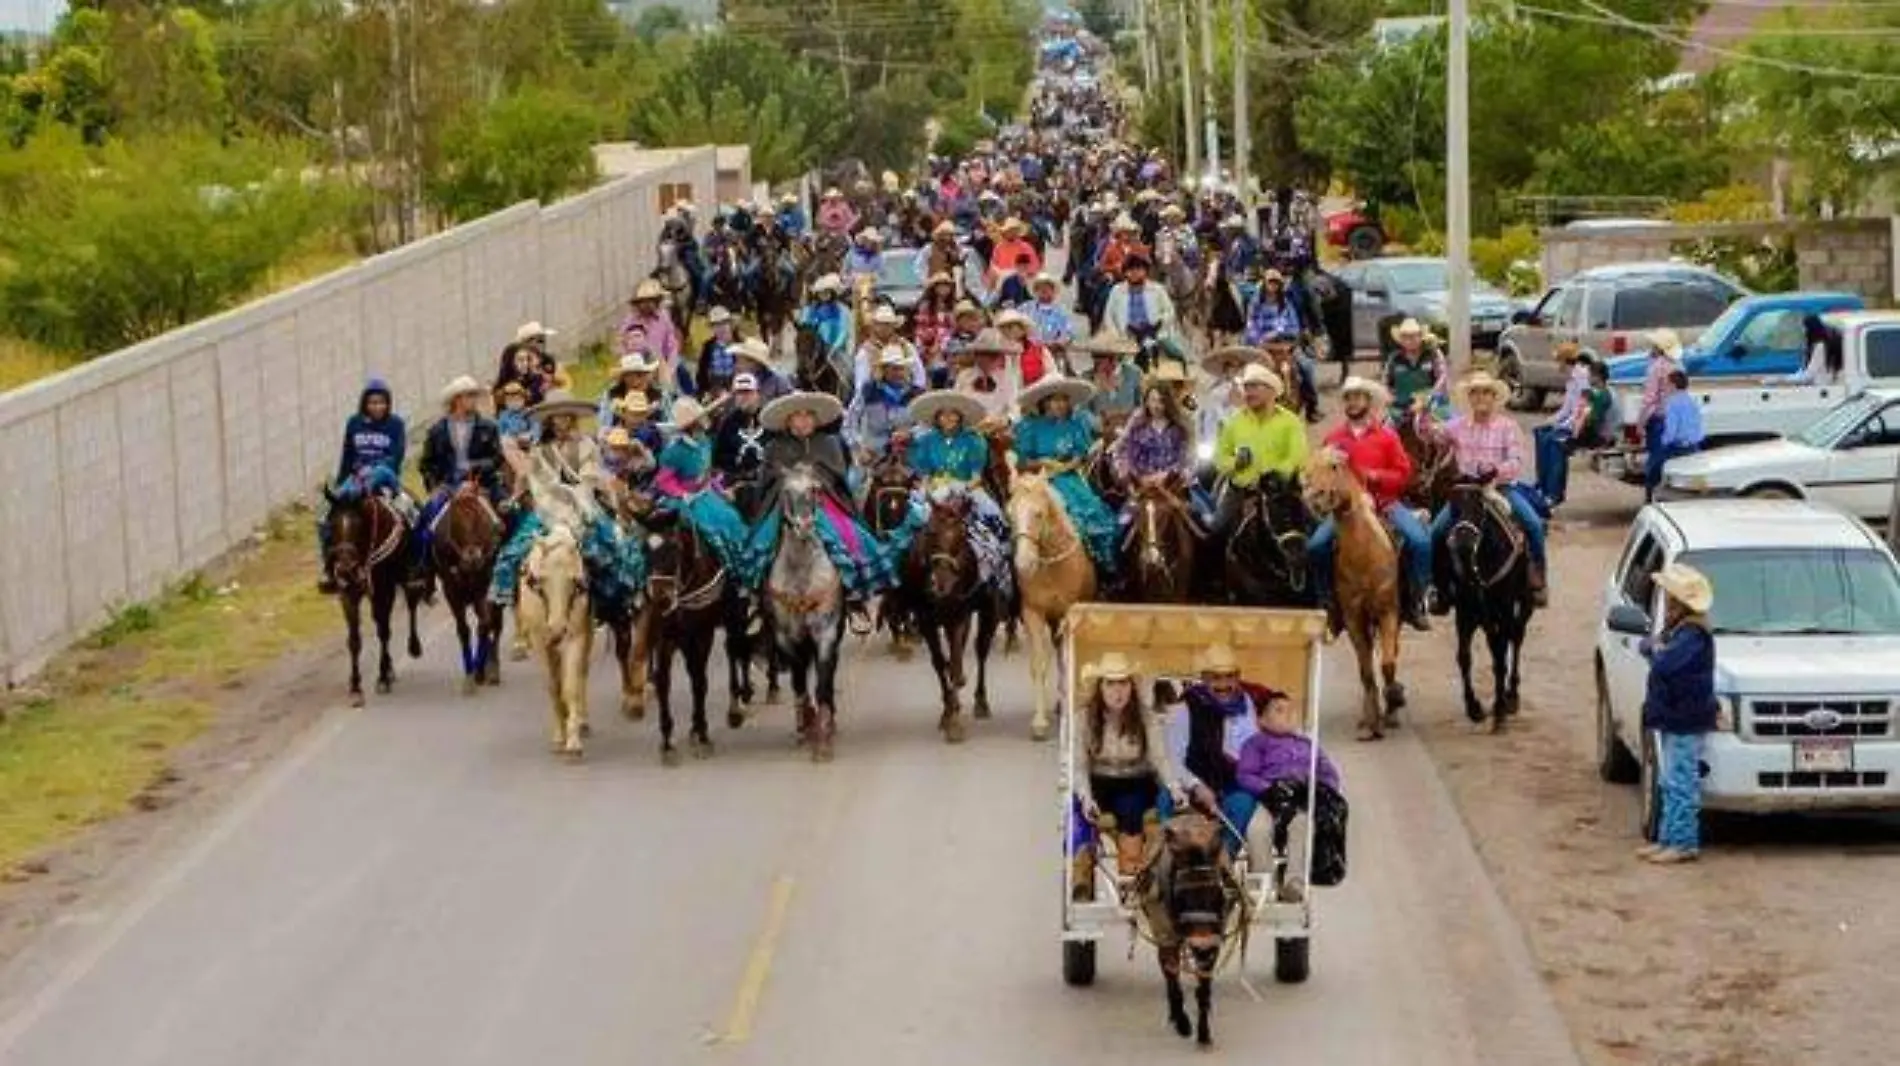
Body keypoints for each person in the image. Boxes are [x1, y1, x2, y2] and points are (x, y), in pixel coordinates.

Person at [748, 391, 917, 608]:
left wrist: (816, 480)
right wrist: (788, 480)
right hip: (785, 501)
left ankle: (852, 589)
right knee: (764, 539)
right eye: (797, 415)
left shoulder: (829, 443)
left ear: (815, 419)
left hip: (823, 501)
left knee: (849, 536)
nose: (803, 420)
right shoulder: (774, 447)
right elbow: (767, 480)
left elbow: (837, 476)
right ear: (788, 420)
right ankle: (758, 592)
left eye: (808, 415)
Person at [1310, 378, 1431, 632]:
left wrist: (1376, 476)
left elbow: (1403, 473)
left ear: (1368, 402)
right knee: (1316, 546)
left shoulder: (1387, 437)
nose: (1353, 403)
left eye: (1358, 397)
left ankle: (1417, 600)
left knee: (1420, 542)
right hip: (1346, 511)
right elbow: (1319, 474)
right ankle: (1326, 603)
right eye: (1348, 398)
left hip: (1385, 504)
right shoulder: (1334, 438)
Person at [1428, 372, 1548, 609]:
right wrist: (1422, 413)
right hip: (1466, 491)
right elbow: (1432, 434)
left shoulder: (1508, 426)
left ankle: (1538, 579)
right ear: (1469, 398)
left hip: (1499, 489)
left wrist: (1496, 471)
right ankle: (1438, 586)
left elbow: (1516, 460)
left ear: (1494, 397)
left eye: (1485, 392)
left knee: (1533, 524)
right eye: (1475, 393)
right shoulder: (1458, 425)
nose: (1480, 397)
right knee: (1436, 532)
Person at [1069, 651, 1183, 898]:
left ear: (1132, 686)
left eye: (1123, 682)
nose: (1118, 691)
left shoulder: (1145, 716)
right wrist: (1086, 797)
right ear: (1100, 687)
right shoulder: (1084, 718)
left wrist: (1174, 786)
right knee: (1076, 811)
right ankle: (1081, 877)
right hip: (1098, 781)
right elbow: (1079, 764)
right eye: (1111, 683)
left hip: (1136, 781)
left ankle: (1131, 877)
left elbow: (1159, 757)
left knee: (1131, 807)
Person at [1156, 643, 1275, 855]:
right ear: (1204, 678)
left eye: (1230, 676)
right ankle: (1173, 866)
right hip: (1190, 782)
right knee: (1167, 800)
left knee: (1242, 803)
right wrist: (1196, 786)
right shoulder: (1186, 708)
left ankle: (1222, 862)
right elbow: (1173, 759)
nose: (1224, 684)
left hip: (1232, 784)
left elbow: (1255, 749)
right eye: (1216, 677)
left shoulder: (1249, 705)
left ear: (1238, 677)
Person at [1637, 562, 1717, 864]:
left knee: (1680, 781)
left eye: (1672, 600)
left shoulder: (1692, 635)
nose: (1667, 605)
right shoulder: (1683, 632)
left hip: (1684, 719)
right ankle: (1670, 838)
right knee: (1671, 782)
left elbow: (1665, 663)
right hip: (1677, 717)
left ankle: (1682, 842)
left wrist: (1654, 648)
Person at [1234, 688, 1348, 895]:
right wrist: (1269, 789)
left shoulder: (1307, 745)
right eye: (1279, 710)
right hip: (1271, 798)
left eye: (1290, 710)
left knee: (1302, 825)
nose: (1287, 714)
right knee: (1257, 829)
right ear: (1262, 720)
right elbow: (1245, 775)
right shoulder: (1255, 744)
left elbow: (1329, 773)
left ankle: (1294, 882)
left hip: (1301, 798)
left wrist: (1323, 789)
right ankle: (1263, 879)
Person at [906, 390, 1013, 596]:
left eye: (953, 414)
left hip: (966, 486)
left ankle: (1002, 564)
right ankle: (902, 567)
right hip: (935, 487)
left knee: (994, 514)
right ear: (936, 418)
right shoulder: (927, 440)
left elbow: (976, 475)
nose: (949, 419)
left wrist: (963, 489)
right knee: (910, 516)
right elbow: (926, 474)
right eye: (944, 414)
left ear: (960, 417)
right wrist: (928, 491)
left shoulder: (973, 439)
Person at [1012, 373, 1119, 575]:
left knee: (1094, 509)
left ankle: (1098, 564)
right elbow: (1022, 461)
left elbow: (1082, 454)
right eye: (1054, 400)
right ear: (1044, 403)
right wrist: (1043, 462)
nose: (1059, 405)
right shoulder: (1030, 426)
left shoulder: (1075, 424)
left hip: (1070, 477)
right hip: (1039, 480)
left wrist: (1067, 466)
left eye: (1063, 400)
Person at [317, 377, 412, 593]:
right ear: (364, 404)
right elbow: (348, 456)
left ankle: (415, 567)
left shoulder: (396, 424)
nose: (377, 406)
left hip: (384, 476)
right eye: (372, 402)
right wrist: (341, 484)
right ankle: (329, 567)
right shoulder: (354, 423)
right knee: (324, 516)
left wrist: (373, 471)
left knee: (414, 514)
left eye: (381, 402)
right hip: (355, 477)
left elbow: (396, 457)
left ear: (388, 403)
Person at [418, 375, 506, 593]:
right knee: (426, 519)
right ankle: (423, 570)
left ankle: (511, 563)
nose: (474, 399)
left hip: (482, 483)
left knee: (508, 512)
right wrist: (435, 486)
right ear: (456, 400)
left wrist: (475, 468)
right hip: (448, 486)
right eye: (469, 395)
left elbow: (497, 458)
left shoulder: (488, 427)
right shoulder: (437, 430)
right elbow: (426, 464)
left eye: (475, 395)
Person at [652, 397, 757, 576]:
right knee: (705, 527)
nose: (697, 425)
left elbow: (707, 472)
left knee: (731, 517)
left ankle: (738, 567)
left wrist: (718, 489)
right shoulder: (674, 451)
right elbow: (663, 480)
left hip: (706, 494)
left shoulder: (705, 442)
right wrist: (682, 493)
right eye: (692, 423)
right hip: (685, 499)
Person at [1207, 364, 1308, 534]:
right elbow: (1219, 458)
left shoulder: (1290, 422)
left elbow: (1298, 456)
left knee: (1309, 534)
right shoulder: (1234, 422)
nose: (1248, 393)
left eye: (1254, 387)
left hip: (1280, 493)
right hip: (1240, 491)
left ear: (1271, 391)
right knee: (1215, 531)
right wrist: (1235, 463)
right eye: (1246, 388)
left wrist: (1277, 473)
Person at [845, 347, 923, 488]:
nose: (898, 373)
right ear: (884, 370)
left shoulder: (917, 394)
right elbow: (849, 422)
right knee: (852, 484)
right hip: (873, 456)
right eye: (893, 369)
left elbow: (927, 426)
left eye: (901, 368)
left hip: (907, 455)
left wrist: (911, 433)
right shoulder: (868, 390)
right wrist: (858, 447)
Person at [1110, 375, 1195, 496]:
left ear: (1167, 403)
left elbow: (1187, 459)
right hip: (1143, 486)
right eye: (1152, 400)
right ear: (1146, 402)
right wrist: (1133, 476)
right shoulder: (1137, 427)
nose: (1156, 406)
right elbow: (1125, 454)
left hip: (1173, 485)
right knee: (1125, 514)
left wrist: (1168, 475)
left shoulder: (1178, 429)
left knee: (1203, 512)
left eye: (1161, 401)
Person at [1533, 344, 1591, 507]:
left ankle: (1554, 492)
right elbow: (1566, 408)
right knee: (1540, 434)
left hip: (1580, 425)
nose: (1557, 365)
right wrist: (1551, 420)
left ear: (1566, 361)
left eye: (1559, 361)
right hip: (1569, 421)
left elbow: (1581, 409)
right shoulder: (1570, 379)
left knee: (1554, 443)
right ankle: (1542, 484)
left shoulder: (1582, 378)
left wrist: (1562, 425)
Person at [1647, 369, 1705, 502]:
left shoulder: (1672, 403)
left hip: (1676, 448)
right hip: (1694, 446)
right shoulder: (1693, 400)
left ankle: (1650, 501)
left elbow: (1671, 430)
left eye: (1667, 384)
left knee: (1652, 470)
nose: (1665, 388)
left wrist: (1662, 442)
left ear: (1673, 385)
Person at [1100, 252, 1178, 349]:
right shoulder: (1117, 291)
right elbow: (1108, 316)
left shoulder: (1157, 289)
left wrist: (1158, 323)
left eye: (1139, 269)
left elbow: (1170, 311)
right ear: (1125, 272)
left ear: (1145, 271)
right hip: (1125, 340)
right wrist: (1116, 336)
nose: (1134, 273)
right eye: (1131, 270)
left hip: (1154, 337)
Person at [1383, 318, 1449, 424]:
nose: (1409, 340)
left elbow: (1442, 380)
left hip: (1432, 403)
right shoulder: (1394, 358)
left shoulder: (1434, 355)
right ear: (1401, 340)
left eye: (1413, 336)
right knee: (1386, 426)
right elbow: (1386, 383)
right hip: (1400, 404)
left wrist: (1426, 400)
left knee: (1440, 427)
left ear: (1420, 336)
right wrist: (1388, 396)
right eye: (1405, 337)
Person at [1636, 328, 1683, 472]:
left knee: (1656, 461)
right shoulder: (1679, 366)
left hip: (1660, 421)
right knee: (1674, 461)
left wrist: (1641, 423)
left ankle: (1652, 493)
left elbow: (1649, 400)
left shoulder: (1656, 368)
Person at [1076, 332, 1143, 432]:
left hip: (1129, 431)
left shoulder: (1133, 373)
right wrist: (1096, 423)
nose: (1096, 360)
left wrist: (1132, 423)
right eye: (1094, 356)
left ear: (1114, 357)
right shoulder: (1086, 377)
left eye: (1101, 357)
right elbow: (1082, 410)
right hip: (1100, 433)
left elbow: (1140, 405)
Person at [852, 305, 928, 393]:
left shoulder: (906, 346)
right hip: (876, 395)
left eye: (887, 324)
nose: (883, 328)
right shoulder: (866, 351)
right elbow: (861, 382)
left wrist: (916, 391)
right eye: (880, 324)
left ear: (893, 326)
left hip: (906, 392)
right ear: (874, 326)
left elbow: (919, 374)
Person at [955, 328, 1023, 424]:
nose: (986, 359)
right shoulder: (964, 376)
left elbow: (1015, 409)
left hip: (998, 430)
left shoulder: (1007, 378)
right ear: (975, 355)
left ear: (1000, 357)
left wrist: (1005, 421)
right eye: (981, 354)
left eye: (993, 355)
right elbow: (956, 405)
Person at [620, 279, 682, 373]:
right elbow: (622, 343)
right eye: (643, 301)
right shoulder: (630, 320)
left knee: (682, 373)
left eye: (651, 301)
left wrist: (671, 366)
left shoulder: (664, 317)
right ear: (638, 303)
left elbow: (672, 345)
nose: (647, 304)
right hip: (635, 366)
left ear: (657, 301)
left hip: (660, 364)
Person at [797, 273, 854, 371]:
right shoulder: (810, 310)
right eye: (820, 292)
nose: (823, 295)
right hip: (813, 349)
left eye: (826, 292)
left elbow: (844, 332)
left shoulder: (842, 310)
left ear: (832, 293)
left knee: (848, 371)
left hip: (835, 350)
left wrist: (834, 348)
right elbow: (804, 328)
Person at [598, 352, 664, 426]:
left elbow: (669, 426)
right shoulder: (611, 396)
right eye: (631, 376)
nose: (637, 381)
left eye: (641, 375)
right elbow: (604, 426)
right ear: (624, 378)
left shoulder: (658, 396)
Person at [1025, 272, 1075, 370]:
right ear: (1036, 290)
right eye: (1040, 287)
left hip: (1052, 353)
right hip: (1029, 353)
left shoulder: (1060, 311)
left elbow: (1068, 333)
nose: (1044, 290)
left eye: (1047, 287)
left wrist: (1058, 342)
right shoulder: (1026, 308)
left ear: (1053, 291)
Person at [994, 308, 1050, 386]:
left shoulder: (1039, 350)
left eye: (1010, 326)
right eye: (1003, 328)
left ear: (1022, 329)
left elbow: (1051, 374)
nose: (1006, 330)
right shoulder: (996, 353)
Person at [696, 306, 741, 399]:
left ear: (730, 325)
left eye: (724, 324)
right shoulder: (708, 346)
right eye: (716, 325)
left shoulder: (740, 344)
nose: (720, 328)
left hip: (737, 389)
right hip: (714, 391)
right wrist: (705, 391)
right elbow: (701, 374)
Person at [495, 380, 538, 447]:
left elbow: (536, 430)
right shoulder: (503, 416)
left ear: (524, 399)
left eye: (517, 399)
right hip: (510, 447)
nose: (514, 402)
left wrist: (529, 436)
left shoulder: (530, 413)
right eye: (509, 400)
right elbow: (499, 432)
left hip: (528, 446)